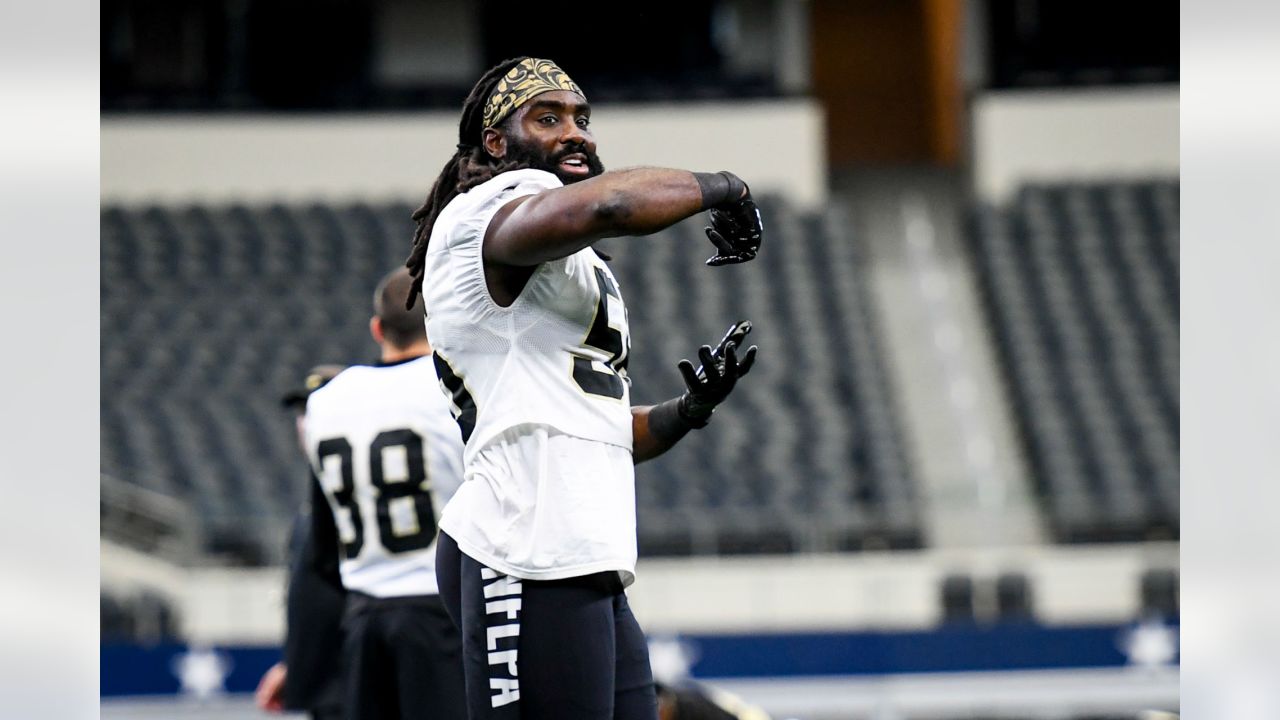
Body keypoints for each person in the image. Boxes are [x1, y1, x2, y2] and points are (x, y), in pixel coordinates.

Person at [405, 56, 763, 720]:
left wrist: (689, 411)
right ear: (495, 142)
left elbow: (599, 431)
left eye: (583, 119)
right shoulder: (482, 211)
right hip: (519, 549)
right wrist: (726, 187)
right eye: (549, 118)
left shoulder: (565, 264)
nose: (578, 134)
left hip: (577, 552)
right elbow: (613, 201)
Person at [282, 267, 469, 720]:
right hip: (442, 612)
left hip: (364, 617)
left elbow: (322, 548)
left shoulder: (327, 399)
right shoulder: (457, 387)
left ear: (377, 328)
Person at [256, 364, 348, 720]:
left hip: (357, 680)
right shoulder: (312, 502)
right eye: (302, 413)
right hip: (328, 685)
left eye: (317, 411)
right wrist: (295, 663)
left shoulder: (363, 496)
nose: (306, 423)